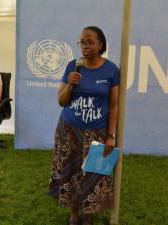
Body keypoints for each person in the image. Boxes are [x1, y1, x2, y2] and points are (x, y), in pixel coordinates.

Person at [49, 26, 119, 225]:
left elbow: (114, 105)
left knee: (93, 173)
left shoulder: (111, 70)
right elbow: (61, 102)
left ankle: (88, 214)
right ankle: (73, 214)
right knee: (70, 172)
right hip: (69, 129)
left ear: (100, 45)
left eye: (90, 42)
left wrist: (110, 135)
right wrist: (70, 85)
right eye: (82, 42)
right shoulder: (73, 66)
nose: (85, 46)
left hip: (97, 131)